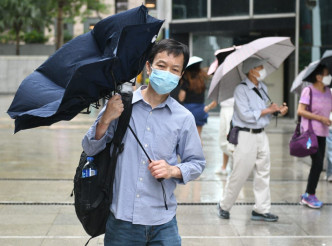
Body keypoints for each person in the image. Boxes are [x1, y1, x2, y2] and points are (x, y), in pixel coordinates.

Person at [82, 39, 206, 245]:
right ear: (148, 67)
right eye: (161, 66)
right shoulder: (120, 106)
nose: (167, 73)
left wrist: (172, 170)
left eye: (175, 69)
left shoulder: (183, 118)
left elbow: (197, 163)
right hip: (122, 222)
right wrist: (105, 119)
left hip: (163, 223)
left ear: (181, 75)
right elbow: (89, 148)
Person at [217, 57, 288, 222]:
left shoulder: (262, 87)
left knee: (264, 172)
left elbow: (265, 110)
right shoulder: (240, 90)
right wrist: (267, 110)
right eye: (260, 67)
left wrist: (277, 111)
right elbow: (245, 115)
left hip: (261, 134)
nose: (263, 70)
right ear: (251, 70)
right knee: (240, 173)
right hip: (245, 135)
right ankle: (224, 205)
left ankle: (261, 209)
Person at [298, 64, 332, 208]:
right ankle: (310, 195)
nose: (328, 76)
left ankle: (307, 194)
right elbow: (300, 111)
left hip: (323, 132)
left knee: (317, 164)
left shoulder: (328, 92)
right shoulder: (308, 90)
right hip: (311, 132)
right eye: (326, 74)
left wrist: (326, 119)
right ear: (318, 77)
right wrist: (320, 118)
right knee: (318, 163)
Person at [178, 57, 216, 138]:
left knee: (188, 138)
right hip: (200, 109)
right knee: (198, 137)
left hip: (189, 109)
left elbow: (181, 97)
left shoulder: (186, 80)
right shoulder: (201, 79)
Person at [215, 97, 234, 175]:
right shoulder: (223, 85)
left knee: (231, 140)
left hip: (233, 109)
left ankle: (237, 166)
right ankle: (224, 167)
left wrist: (208, 107)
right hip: (224, 109)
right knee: (224, 140)